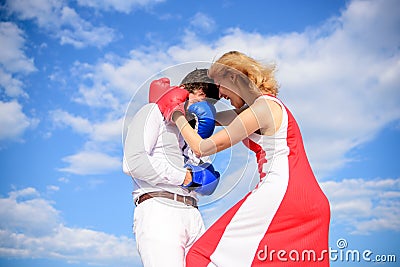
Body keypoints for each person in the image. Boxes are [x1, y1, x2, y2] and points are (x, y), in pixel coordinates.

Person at [164, 51, 330, 266]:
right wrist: (188, 107)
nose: (220, 94)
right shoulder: (263, 107)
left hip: (283, 193)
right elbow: (211, 119)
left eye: (219, 84)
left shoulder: (263, 108)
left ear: (233, 76)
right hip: (311, 201)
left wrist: (174, 112)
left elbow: (202, 147)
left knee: (202, 256)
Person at [123, 69, 220, 267]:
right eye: (203, 96)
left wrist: (203, 140)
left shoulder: (192, 129)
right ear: (184, 90)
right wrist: (185, 177)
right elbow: (133, 162)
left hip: (193, 213)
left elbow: (199, 177)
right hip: (160, 209)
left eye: (211, 102)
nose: (206, 105)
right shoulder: (152, 112)